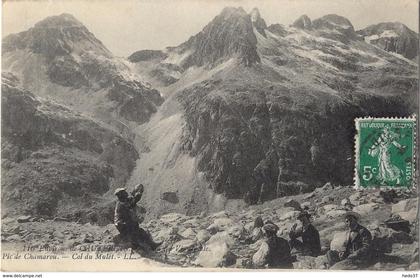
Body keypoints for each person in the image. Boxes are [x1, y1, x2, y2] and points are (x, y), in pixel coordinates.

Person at [114, 185, 161, 251]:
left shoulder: (124, 201)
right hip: (122, 225)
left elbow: (132, 201)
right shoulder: (121, 205)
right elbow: (131, 205)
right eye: (124, 192)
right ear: (121, 195)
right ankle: (146, 245)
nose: (126, 193)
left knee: (139, 230)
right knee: (138, 231)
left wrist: (137, 194)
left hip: (123, 223)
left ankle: (151, 245)